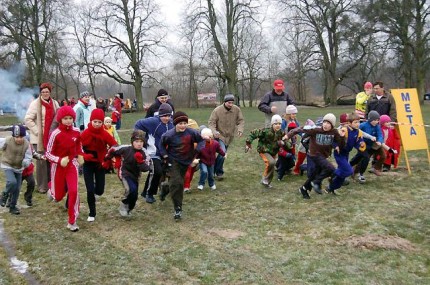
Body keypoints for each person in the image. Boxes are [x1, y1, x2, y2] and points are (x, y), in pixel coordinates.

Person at [286, 113, 345, 199]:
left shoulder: (334, 132)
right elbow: (300, 129)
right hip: (314, 155)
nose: (325, 125)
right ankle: (317, 182)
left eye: (328, 123)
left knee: (315, 173)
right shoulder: (316, 129)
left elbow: (341, 145)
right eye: (324, 122)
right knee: (331, 169)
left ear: (332, 125)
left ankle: (304, 188)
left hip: (324, 156)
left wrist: (342, 137)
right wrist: (288, 135)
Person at [45, 106, 84, 232]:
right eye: (65, 118)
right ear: (60, 119)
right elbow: (48, 154)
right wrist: (59, 160)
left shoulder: (77, 131)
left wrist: (80, 155)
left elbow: (79, 145)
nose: (68, 121)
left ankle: (72, 221)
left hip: (72, 165)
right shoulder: (55, 134)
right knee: (58, 196)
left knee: (73, 191)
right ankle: (52, 189)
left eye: (70, 118)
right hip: (58, 166)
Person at [159, 111, 203, 220]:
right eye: (180, 123)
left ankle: (165, 188)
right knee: (177, 183)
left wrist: (197, 150)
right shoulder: (169, 135)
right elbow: (161, 145)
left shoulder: (191, 133)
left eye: (185, 123)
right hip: (173, 161)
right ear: (175, 123)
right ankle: (177, 208)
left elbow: (201, 141)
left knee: (177, 183)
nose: (183, 126)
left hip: (186, 161)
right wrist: (164, 155)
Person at [81, 109, 118, 222]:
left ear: (102, 123)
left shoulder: (104, 134)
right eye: (95, 121)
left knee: (100, 190)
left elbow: (114, 146)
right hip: (87, 164)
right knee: (90, 189)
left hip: (100, 164)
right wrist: (84, 156)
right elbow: (77, 148)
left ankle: (96, 192)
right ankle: (92, 212)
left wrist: (108, 158)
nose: (97, 124)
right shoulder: (85, 133)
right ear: (91, 120)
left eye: (99, 122)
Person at [105, 130, 152, 217]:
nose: (139, 144)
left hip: (135, 176)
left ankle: (129, 208)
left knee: (134, 195)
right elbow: (113, 149)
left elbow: (146, 168)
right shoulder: (125, 148)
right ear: (132, 141)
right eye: (136, 141)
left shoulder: (144, 153)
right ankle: (123, 204)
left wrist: (140, 161)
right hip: (124, 173)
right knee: (130, 189)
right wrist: (107, 159)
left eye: (141, 141)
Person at [134, 103, 174, 204]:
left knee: (162, 172)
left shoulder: (171, 124)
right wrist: (142, 138)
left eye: (169, 116)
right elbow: (138, 124)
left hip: (165, 153)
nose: (166, 118)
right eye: (164, 116)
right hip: (153, 152)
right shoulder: (153, 121)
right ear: (160, 115)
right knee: (157, 171)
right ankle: (149, 194)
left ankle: (146, 192)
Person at [25, 82, 60, 193]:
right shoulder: (35, 104)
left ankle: (51, 184)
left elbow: (59, 116)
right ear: (40, 92)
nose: (45, 93)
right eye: (43, 92)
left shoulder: (54, 103)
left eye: (47, 92)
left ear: (50, 92)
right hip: (39, 138)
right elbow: (28, 119)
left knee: (51, 161)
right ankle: (42, 186)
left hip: (52, 137)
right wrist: (37, 131)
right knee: (41, 163)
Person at [325, 112, 365, 194]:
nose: (358, 124)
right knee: (348, 171)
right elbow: (333, 139)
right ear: (349, 123)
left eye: (359, 122)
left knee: (343, 175)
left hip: (346, 154)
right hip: (339, 154)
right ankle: (332, 173)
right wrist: (335, 146)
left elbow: (358, 143)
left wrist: (361, 145)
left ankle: (331, 188)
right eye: (355, 122)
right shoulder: (344, 130)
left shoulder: (358, 132)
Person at [208, 94, 245, 180]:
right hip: (219, 135)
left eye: (232, 102)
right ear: (224, 102)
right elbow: (211, 122)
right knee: (222, 153)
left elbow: (241, 120)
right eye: (229, 102)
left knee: (222, 155)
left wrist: (240, 129)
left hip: (229, 136)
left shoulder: (236, 109)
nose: (231, 104)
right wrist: (214, 131)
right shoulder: (217, 110)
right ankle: (219, 172)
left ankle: (213, 171)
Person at [245, 115, 286, 188]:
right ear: (272, 124)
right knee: (271, 162)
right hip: (264, 150)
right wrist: (248, 143)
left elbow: (286, 141)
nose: (278, 126)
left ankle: (266, 182)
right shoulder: (266, 131)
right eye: (276, 124)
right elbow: (253, 133)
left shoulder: (281, 132)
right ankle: (265, 179)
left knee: (272, 165)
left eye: (279, 124)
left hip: (273, 152)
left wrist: (285, 143)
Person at [0, 125, 32, 215]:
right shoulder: (7, 140)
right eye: (16, 137)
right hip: (8, 165)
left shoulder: (26, 144)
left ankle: (12, 206)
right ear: (13, 136)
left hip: (19, 168)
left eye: (21, 137)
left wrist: (26, 162)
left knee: (17, 189)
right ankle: (4, 196)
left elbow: (29, 157)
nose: (19, 139)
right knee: (12, 182)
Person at [350, 111, 385, 182]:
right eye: (374, 120)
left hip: (373, 145)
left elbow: (380, 135)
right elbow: (357, 131)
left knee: (367, 158)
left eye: (378, 120)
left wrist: (379, 141)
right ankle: (350, 168)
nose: (376, 122)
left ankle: (361, 174)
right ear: (369, 119)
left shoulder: (377, 127)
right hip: (362, 145)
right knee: (360, 158)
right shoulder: (363, 125)